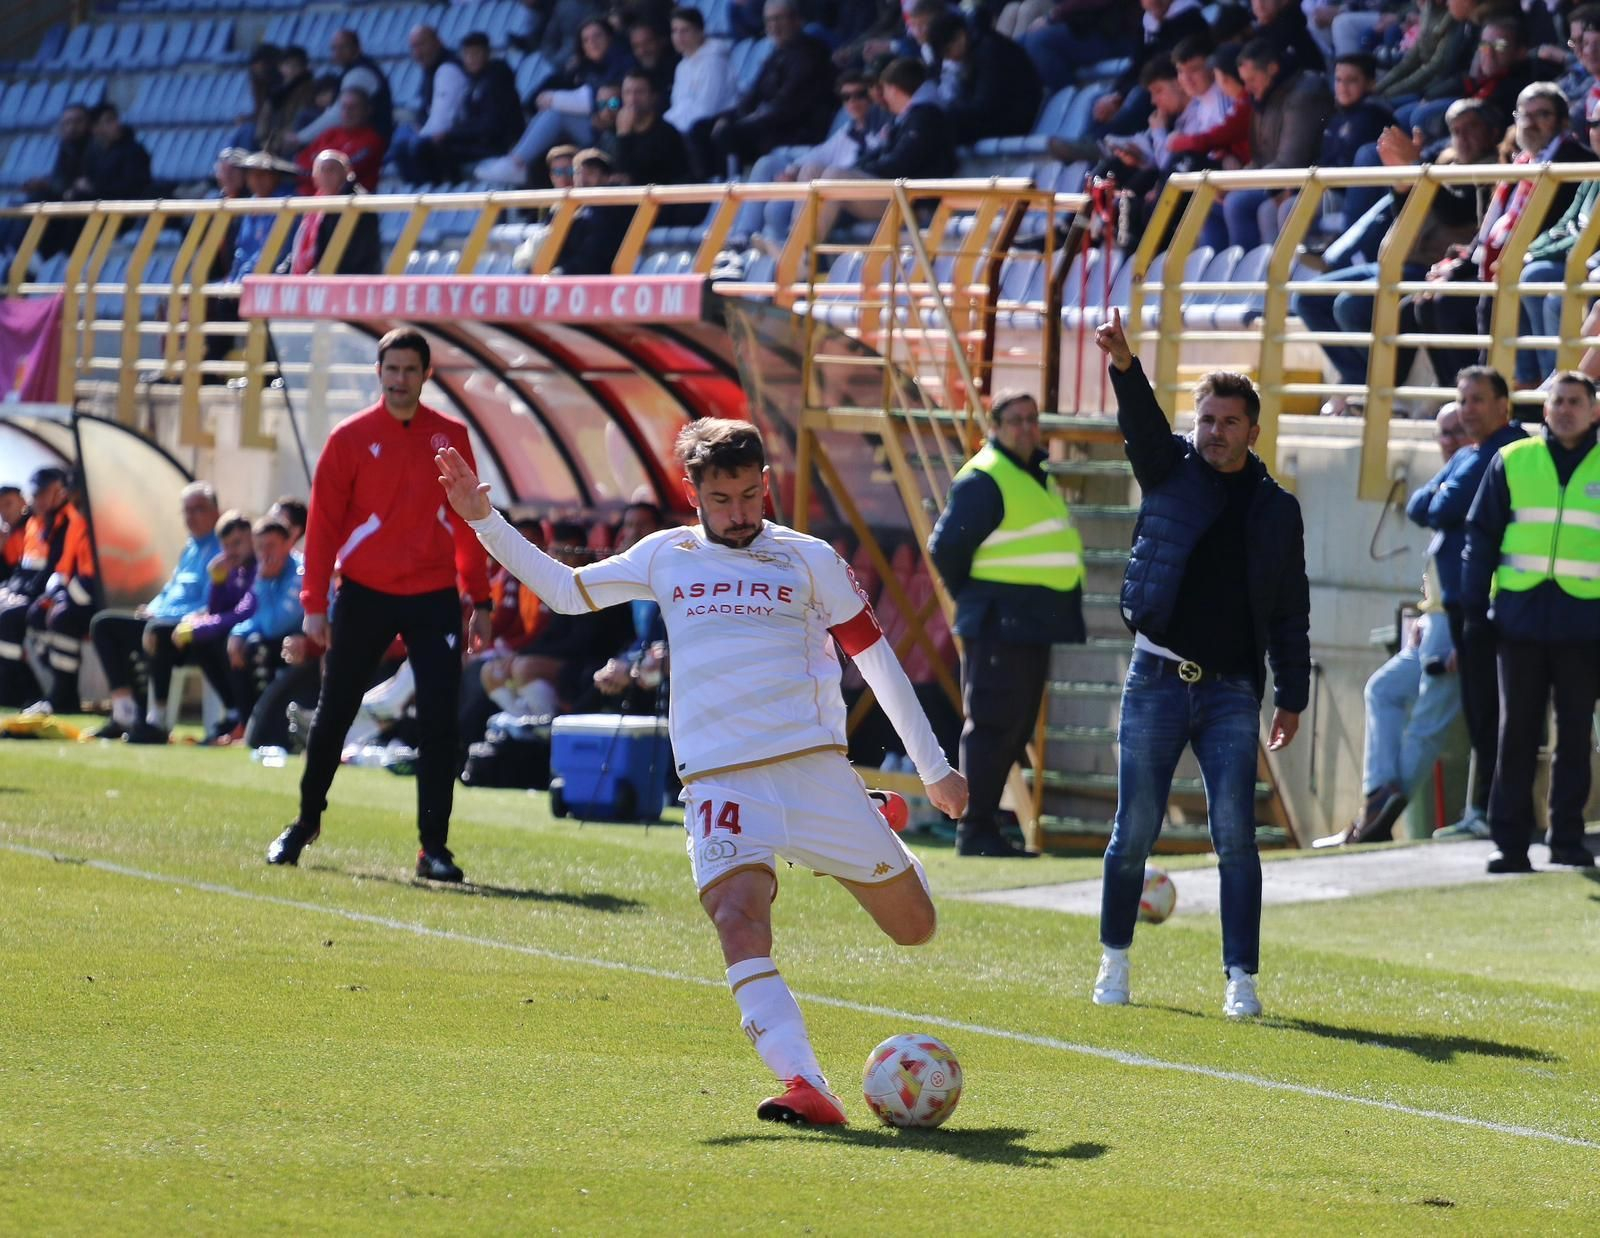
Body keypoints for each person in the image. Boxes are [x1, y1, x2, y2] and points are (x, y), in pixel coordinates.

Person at [438, 418, 967, 1126]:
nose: (741, 513)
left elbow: (876, 658)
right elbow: (565, 591)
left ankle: (871, 818)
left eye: (751, 495)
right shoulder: (666, 556)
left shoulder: (809, 560)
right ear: (694, 494)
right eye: (724, 499)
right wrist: (485, 521)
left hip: (809, 770)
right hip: (718, 783)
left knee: (916, 928)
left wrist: (934, 770)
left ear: (765, 486)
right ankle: (805, 1082)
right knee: (736, 919)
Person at [1092, 309, 1310, 1018]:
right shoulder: (1169, 471)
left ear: (1254, 430)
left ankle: (1240, 978)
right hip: (1155, 677)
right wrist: (1126, 365)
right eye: (1206, 419)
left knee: (1236, 839)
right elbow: (1144, 425)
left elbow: (1289, 609)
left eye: (1228, 421)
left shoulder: (1278, 510)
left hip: (1231, 692)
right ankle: (1114, 962)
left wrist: (1293, 694)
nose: (1213, 432)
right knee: (1134, 831)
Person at [266, 330, 493, 883]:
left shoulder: (451, 435)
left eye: (410, 370)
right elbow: (321, 527)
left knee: (440, 721)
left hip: (434, 596)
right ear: (378, 371)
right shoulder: (349, 438)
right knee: (335, 710)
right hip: (364, 593)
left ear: (425, 375)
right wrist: (313, 604)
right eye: (391, 369)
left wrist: (479, 598)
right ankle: (304, 822)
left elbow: (469, 519)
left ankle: (433, 849)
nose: (399, 379)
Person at [928, 392, 1085, 857]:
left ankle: (985, 828)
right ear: (994, 427)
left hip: (1029, 622)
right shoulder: (986, 477)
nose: (1026, 428)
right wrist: (977, 598)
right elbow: (946, 550)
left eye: (1033, 419)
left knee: (1012, 730)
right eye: (1015, 420)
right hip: (1000, 620)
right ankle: (974, 831)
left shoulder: (1031, 472)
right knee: (993, 728)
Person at [1461, 372, 1600, 873]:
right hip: (1518, 623)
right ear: (1544, 410)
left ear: (1593, 410)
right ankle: (1510, 843)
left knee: (1575, 738)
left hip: (1585, 626)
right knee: (1515, 735)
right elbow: (1481, 537)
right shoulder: (1514, 460)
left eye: (1575, 401)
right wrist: (1474, 609)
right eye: (1556, 401)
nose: (1564, 409)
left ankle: (1566, 838)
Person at [1316, 404, 1470, 846]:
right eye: (1443, 432)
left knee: (1429, 721)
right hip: (1435, 619)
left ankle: (1374, 821)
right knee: (1383, 688)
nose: (1450, 440)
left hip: (1462, 624)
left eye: (1458, 430)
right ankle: (1378, 797)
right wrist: (1425, 613)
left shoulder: (1481, 479)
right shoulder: (1453, 478)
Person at [1417, 366, 1526, 839]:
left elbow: (1438, 508)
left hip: (1493, 602)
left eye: (1478, 400)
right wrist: (1444, 490)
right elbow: (1420, 505)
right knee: (1484, 710)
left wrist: (1443, 493)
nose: (1468, 410)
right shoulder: (1473, 452)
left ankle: (1492, 812)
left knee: (1494, 710)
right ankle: (1487, 811)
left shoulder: (1502, 451)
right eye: (1463, 400)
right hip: (1470, 603)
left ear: (1504, 404)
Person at [88, 481, 223, 743]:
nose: (191, 516)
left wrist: (165, 616)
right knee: (104, 624)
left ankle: (157, 721)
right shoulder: (190, 548)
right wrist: (151, 608)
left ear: (216, 511)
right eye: (186, 510)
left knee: (157, 631)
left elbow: (211, 603)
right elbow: (170, 590)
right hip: (160, 619)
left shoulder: (220, 549)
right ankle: (125, 711)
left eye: (199, 509)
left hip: (187, 631)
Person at [1201, 37, 1334, 251]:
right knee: (1207, 201)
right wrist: (1229, 182)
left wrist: (1236, 184)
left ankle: (1252, 278)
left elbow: (1291, 162)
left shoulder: (1304, 95)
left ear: (1272, 69)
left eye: (1252, 79)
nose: (1247, 87)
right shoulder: (1265, 95)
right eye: (1244, 80)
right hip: (1272, 178)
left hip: (1298, 181)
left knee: (1238, 203)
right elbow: (1260, 159)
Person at [691, 0, 836, 177]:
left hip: (793, 129)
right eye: (769, 21)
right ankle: (706, 191)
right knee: (700, 129)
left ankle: (729, 188)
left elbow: (786, 105)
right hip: (767, 121)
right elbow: (753, 96)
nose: (773, 26)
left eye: (779, 19)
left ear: (796, 20)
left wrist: (742, 122)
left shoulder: (810, 53)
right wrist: (728, 117)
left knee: (728, 134)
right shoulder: (778, 52)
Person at [0, 468, 97, 713]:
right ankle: (49, 694)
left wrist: (42, 595)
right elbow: (37, 567)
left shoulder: (73, 520)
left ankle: (43, 694)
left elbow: (66, 567)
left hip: (86, 593)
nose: (39, 499)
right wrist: (11, 590)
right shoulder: (40, 522)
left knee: (28, 617)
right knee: (39, 614)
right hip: (60, 589)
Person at [226, 516, 305, 736]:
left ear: (288, 544)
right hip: (279, 641)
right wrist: (237, 633)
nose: (264, 554)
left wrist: (263, 582)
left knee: (256, 647)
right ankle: (245, 723)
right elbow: (252, 615)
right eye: (259, 548)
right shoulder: (266, 572)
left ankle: (267, 726)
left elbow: (274, 626)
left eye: (270, 546)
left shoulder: (300, 574)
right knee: (238, 645)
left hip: (304, 643)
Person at [927, 14, 1040, 145]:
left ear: (960, 36)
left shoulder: (989, 51)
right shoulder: (978, 49)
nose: (949, 58)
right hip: (1004, 114)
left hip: (1018, 117)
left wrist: (950, 110)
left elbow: (985, 104)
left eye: (948, 51)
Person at [279, 150, 381, 276]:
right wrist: (284, 270)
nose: (327, 175)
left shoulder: (358, 203)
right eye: (322, 170)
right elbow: (300, 247)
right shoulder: (315, 205)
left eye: (332, 169)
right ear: (315, 177)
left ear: (347, 173)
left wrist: (318, 272)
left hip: (348, 278)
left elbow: (356, 254)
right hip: (314, 275)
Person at [389, 26, 470, 184]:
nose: (417, 53)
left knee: (415, 148)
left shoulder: (448, 69)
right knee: (401, 142)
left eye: (421, 45)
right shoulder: (430, 70)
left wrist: (420, 135)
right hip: (442, 137)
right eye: (414, 47)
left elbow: (442, 122)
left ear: (438, 42)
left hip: (459, 139)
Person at [291, 28, 394, 148]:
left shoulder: (361, 73)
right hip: (358, 131)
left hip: (370, 136)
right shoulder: (350, 70)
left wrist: (299, 138)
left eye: (342, 47)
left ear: (357, 48)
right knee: (307, 115)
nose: (337, 53)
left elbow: (339, 114)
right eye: (334, 48)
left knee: (305, 119)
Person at [663, 7, 735, 152]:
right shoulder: (682, 66)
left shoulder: (714, 62)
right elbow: (678, 104)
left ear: (700, 31)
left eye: (685, 30)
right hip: (682, 125)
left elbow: (708, 107)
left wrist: (671, 126)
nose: (679, 36)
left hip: (710, 125)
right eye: (675, 31)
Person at [291, 88, 386, 192]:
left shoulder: (372, 140)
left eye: (353, 107)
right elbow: (300, 164)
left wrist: (315, 170)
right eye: (344, 107)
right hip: (307, 197)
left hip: (347, 202)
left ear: (367, 110)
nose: (347, 112)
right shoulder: (330, 134)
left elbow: (338, 173)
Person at [0, 486, 26, 574]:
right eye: (0, 507)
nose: (3, 511)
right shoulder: (5, 536)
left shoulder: (37, 527)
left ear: (22, 502)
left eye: (8, 504)